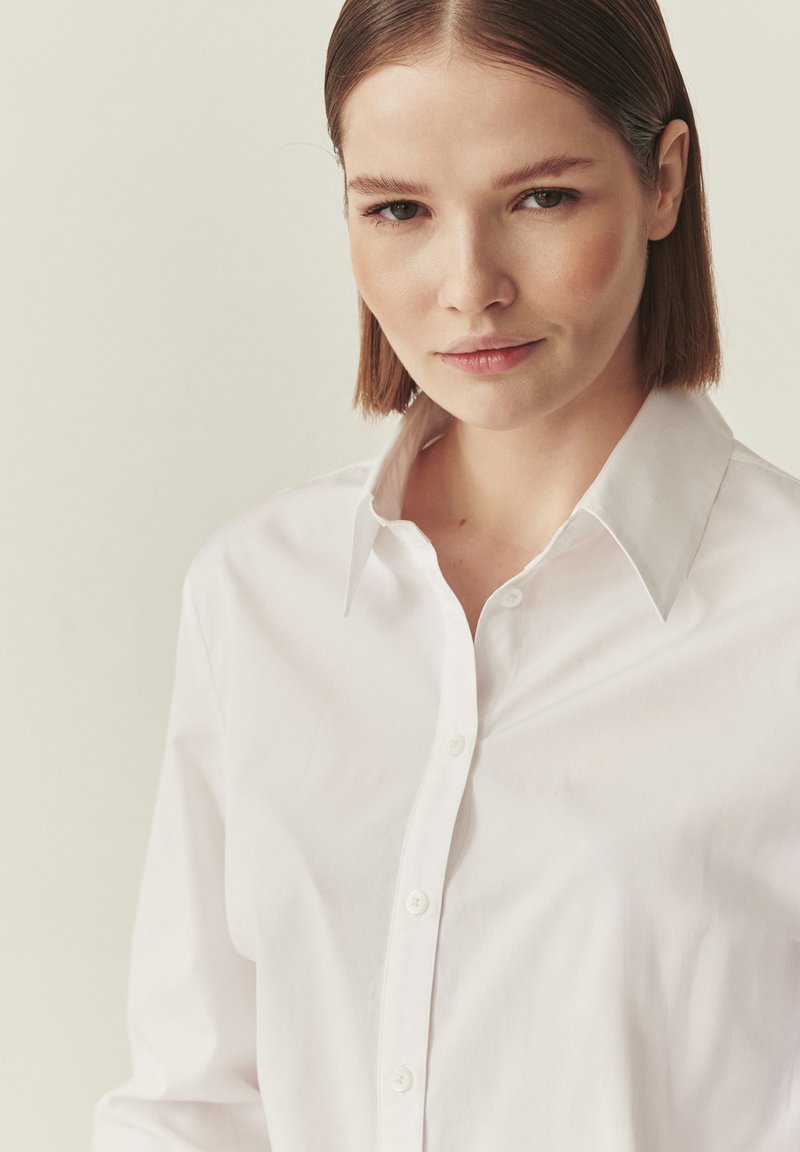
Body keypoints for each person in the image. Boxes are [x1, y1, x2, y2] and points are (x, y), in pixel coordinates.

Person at [93, 0, 800, 1149]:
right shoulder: (257, 596)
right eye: (398, 210)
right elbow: (196, 1100)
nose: (469, 286)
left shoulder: (780, 620)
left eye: (539, 198)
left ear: (662, 180)